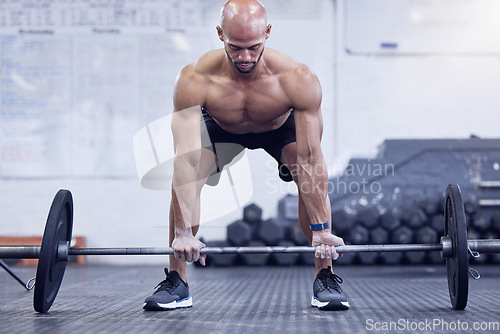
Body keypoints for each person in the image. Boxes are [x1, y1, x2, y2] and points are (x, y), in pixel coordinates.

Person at [143, 0, 349, 311]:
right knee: (192, 172)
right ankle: (177, 280)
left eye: (253, 47)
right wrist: (183, 232)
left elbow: (310, 159)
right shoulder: (194, 79)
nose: (244, 57)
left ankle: (326, 276)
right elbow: (184, 159)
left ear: (267, 33)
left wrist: (322, 230)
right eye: (235, 47)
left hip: (279, 126)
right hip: (221, 126)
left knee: (301, 169)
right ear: (219, 34)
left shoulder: (298, 79)